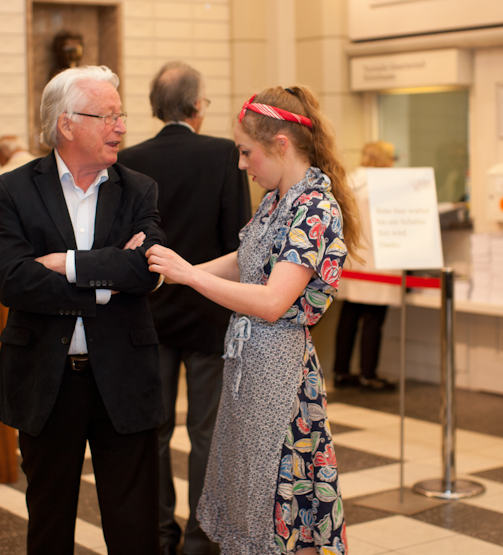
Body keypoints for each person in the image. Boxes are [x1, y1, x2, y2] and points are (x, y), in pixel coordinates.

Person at [147, 86, 362, 555]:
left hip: (280, 374)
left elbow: (271, 302)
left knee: (276, 493)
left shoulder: (315, 208)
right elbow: (244, 259)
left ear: (280, 144)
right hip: (253, 366)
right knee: (251, 487)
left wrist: (187, 275)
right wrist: (178, 271)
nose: (241, 164)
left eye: (247, 152)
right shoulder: (277, 198)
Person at [0, 65, 166, 554]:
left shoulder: (139, 189)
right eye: (107, 116)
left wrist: (66, 264)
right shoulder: (16, 190)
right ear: (67, 124)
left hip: (124, 378)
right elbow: (12, 281)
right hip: (47, 379)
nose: (121, 126)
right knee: (49, 523)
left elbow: (147, 270)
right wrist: (107, 283)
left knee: (134, 528)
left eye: (121, 114)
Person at [119, 62, 251, 555]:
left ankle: (157, 533)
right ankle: (201, 538)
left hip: (148, 314)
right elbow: (239, 236)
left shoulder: (129, 158)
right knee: (206, 433)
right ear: (196, 107)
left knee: (152, 431)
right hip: (207, 310)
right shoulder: (221, 154)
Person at [333, 141, 399, 391]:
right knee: (373, 319)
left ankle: (341, 370)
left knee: (349, 315)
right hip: (380, 262)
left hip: (352, 260)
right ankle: (368, 374)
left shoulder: (350, 180)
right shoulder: (391, 185)